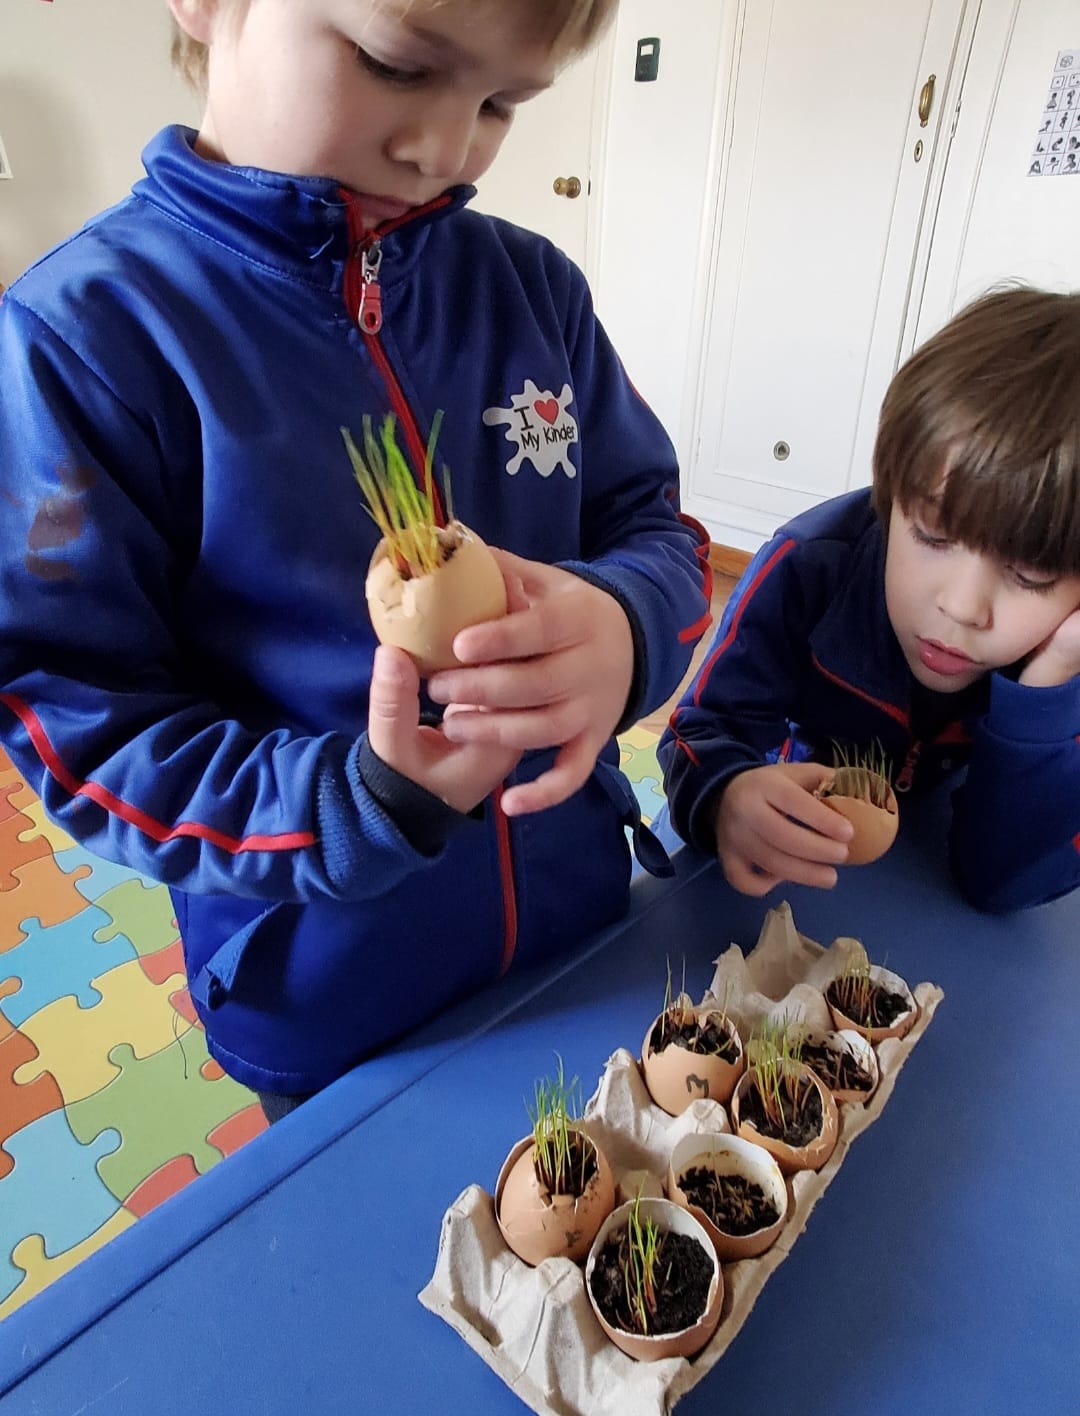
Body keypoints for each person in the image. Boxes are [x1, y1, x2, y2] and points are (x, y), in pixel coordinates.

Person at [0, 0, 711, 1120]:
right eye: (396, 65)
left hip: (580, 930)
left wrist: (623, 629)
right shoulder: (84, 339)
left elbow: (657, 528)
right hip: (326, 998)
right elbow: (77, 717)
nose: (445, 149)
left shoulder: (533, 290)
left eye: (501, 103)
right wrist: (352, 805)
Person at [660, 286, 1080, 914]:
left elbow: (1000, 884)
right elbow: (701, 731)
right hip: (788, 858)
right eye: (932, 535)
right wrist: (725, 797)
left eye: (1030, 574)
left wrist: (1046, 692)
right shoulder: (807, 569)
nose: (962, 607)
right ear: (892, 495)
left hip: (928, 889)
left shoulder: (1066, 655)